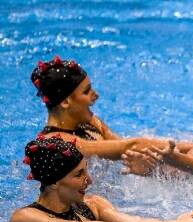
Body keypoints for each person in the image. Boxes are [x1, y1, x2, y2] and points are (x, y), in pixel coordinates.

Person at [9, 137, 193, 222]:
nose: (90, 179)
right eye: (79, 175)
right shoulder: (25, 218)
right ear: (53, 182)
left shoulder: (94, 205)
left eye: (86, 170)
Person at [29, 56, 182, 162]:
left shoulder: (91, 122)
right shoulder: (56, 143)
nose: (96, 95)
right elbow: (131, 145)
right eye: (86, 91)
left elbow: (125, 146)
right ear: (66, 102)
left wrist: (192, 150)